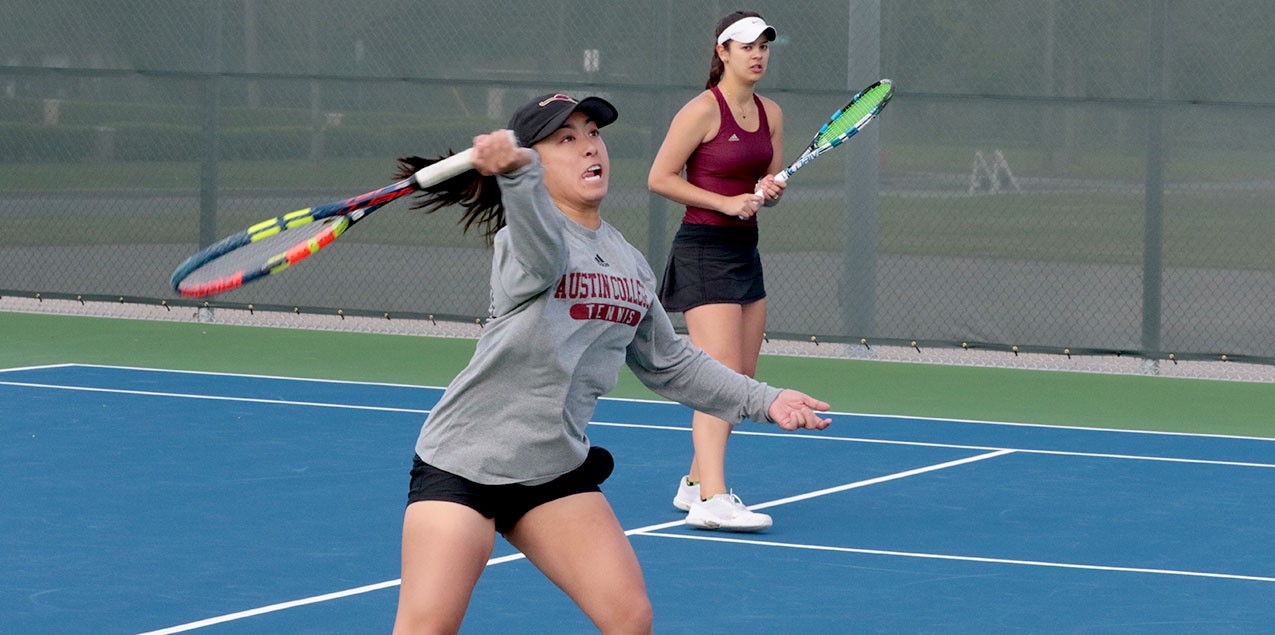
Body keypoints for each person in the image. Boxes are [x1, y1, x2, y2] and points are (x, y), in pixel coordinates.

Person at [392, 92, 831, 634]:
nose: (589, 148)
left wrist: (766, 399)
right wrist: (518, 177)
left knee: (630, 618)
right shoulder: (525, 243)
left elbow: (670, 364)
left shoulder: (627, 261)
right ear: (534, 159)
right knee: (426, 627)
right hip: (465, 465)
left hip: (552, 470)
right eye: (566, 139)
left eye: (593, 134)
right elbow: (543, 250)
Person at [647, 11, 788, 532]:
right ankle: (711, 497)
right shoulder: (701, 111)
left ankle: (690, 485)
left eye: (764, 46)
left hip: (744, 250)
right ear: (722, 51)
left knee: (739, 378)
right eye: (747, 45)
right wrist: (725, 204)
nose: (758, 54)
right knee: (720, 376)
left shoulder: (771, 113)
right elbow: (659, 178)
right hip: (703, 248)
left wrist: (768, 192)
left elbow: (765, 182)